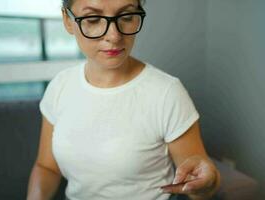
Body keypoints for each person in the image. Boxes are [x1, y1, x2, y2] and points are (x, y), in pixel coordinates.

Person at [27, 0, 221, 199]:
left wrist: (208, 182)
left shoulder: (166, 93)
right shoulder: (60, 86)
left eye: (127, 17)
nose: (114, 36)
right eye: (93, 19)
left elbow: (200, 185)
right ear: (68, 20)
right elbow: (46, 167)